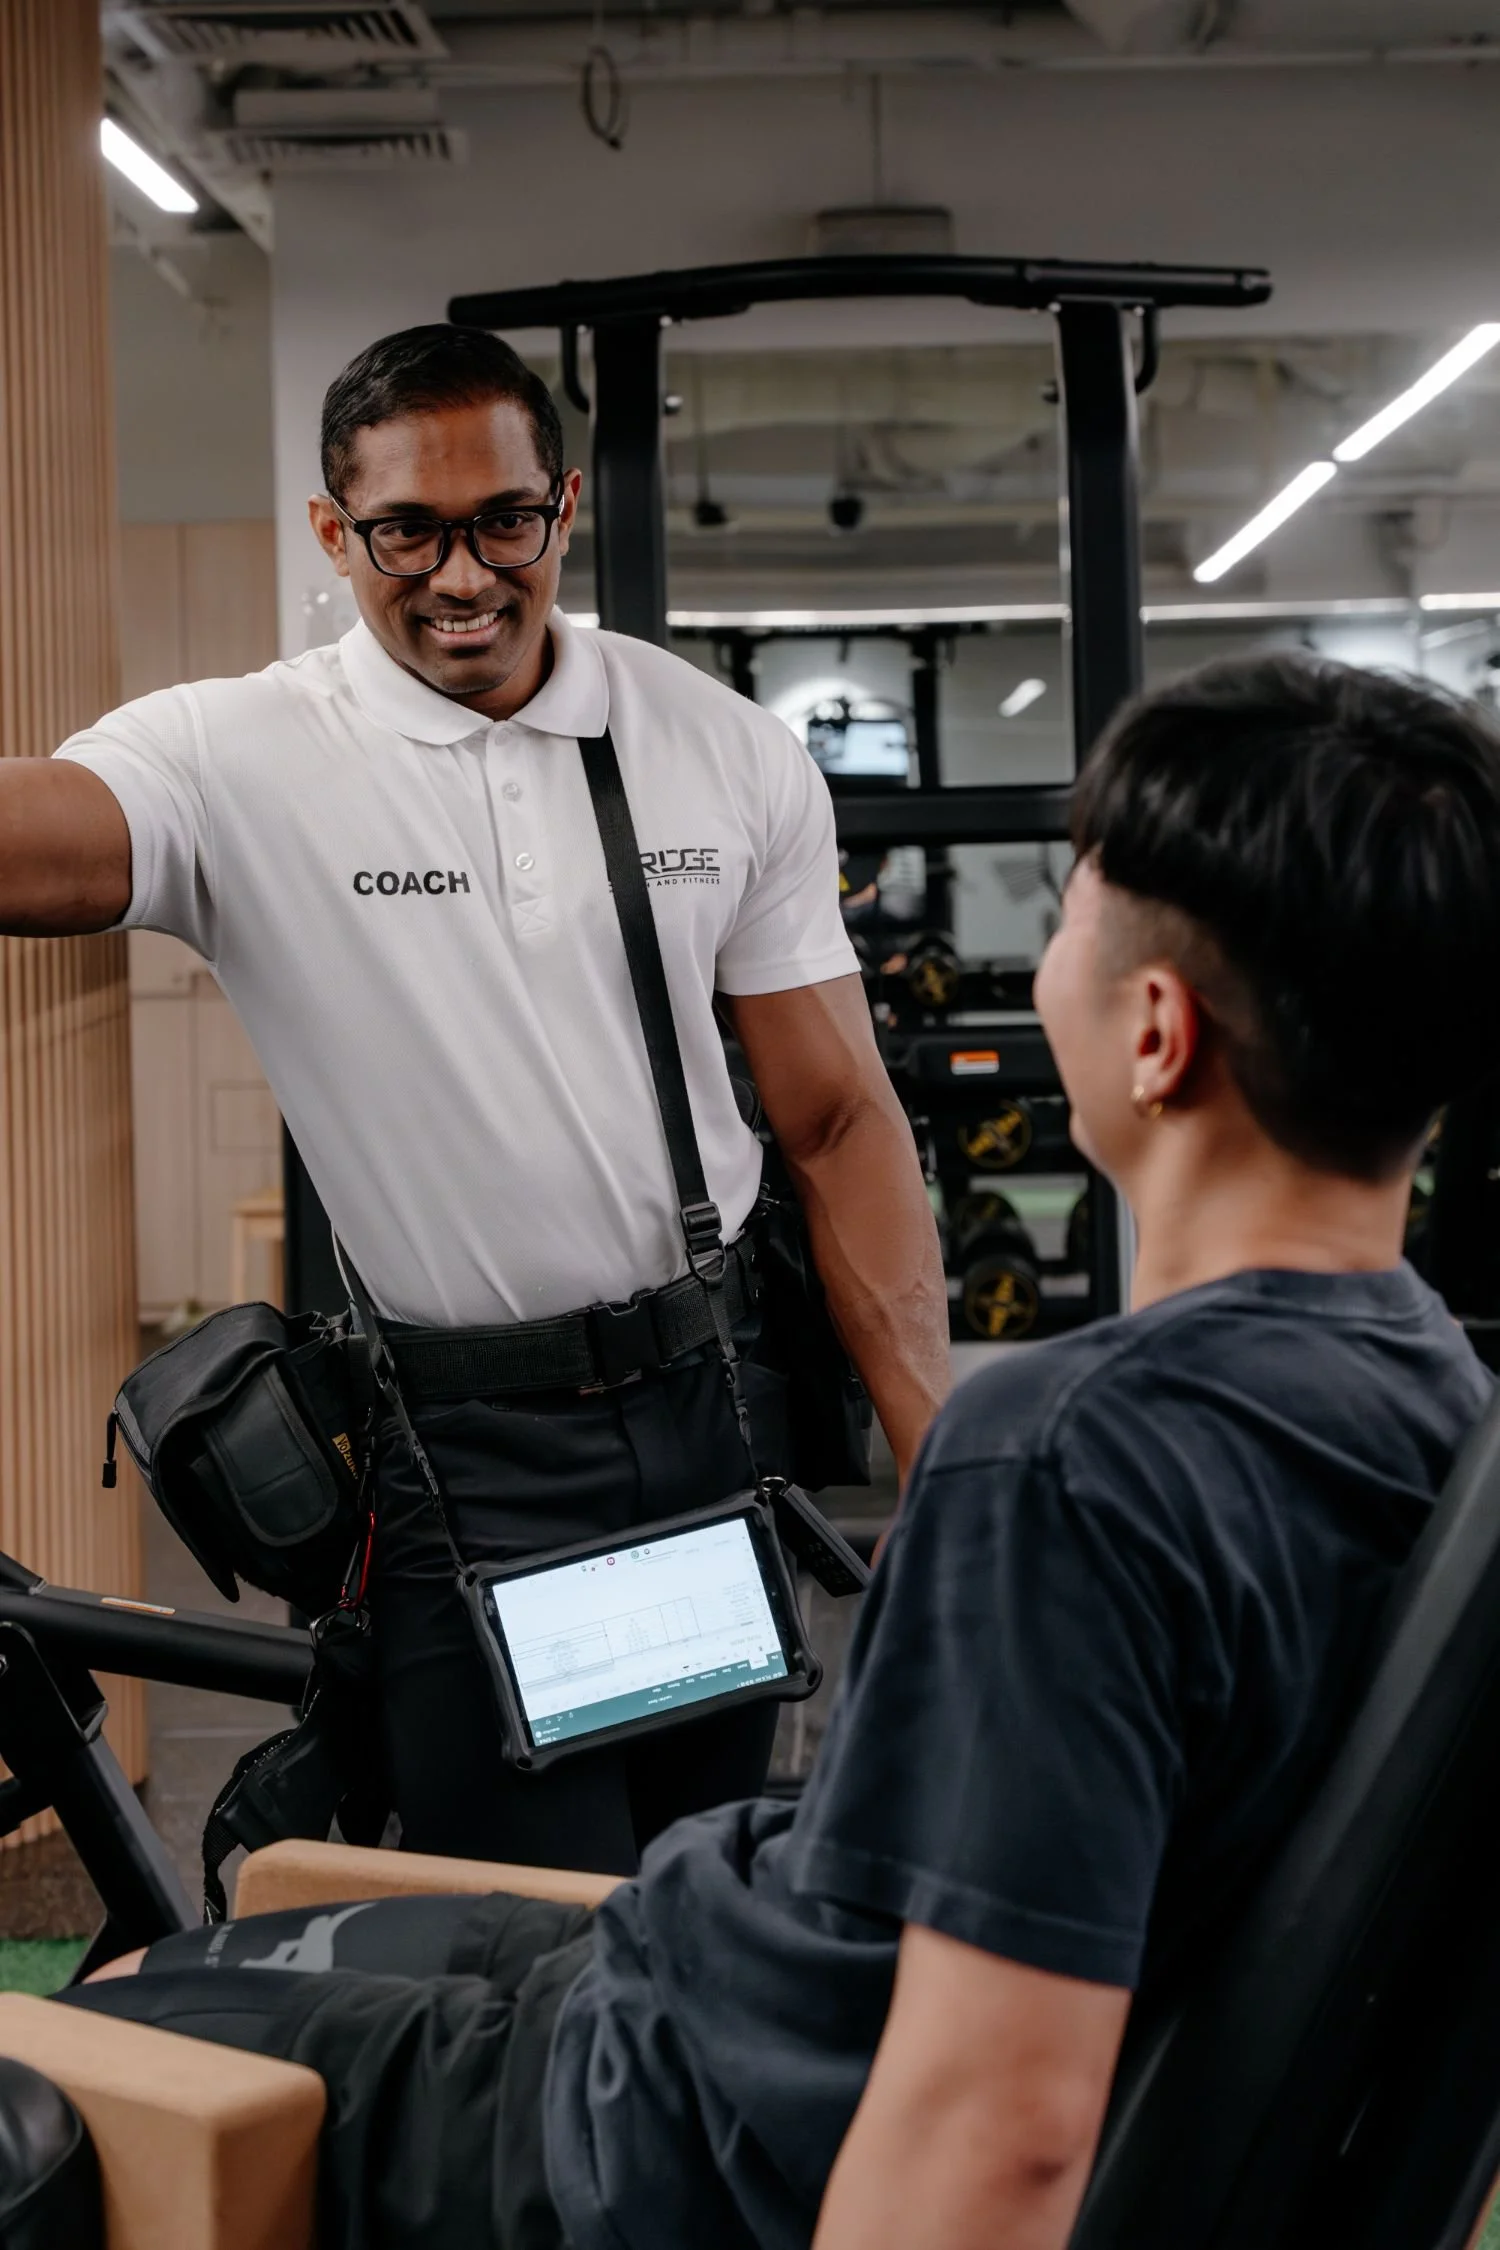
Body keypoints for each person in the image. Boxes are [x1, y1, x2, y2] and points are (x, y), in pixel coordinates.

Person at [69, 652, 1500, 2250]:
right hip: (719, 1967)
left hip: (663, 2115)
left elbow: (995, 2134)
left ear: (1156, 1030)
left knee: (87, 2048)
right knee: (252, 1952)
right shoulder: (1438, 1405)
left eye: (1078, 909)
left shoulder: (1064, 1462)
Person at [0, 323, 951, 1873]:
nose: (462, 576)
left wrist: (941, 1455)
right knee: (526, 1922)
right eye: (408, 533)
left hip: (709, 1410)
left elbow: (837, 1121)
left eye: (504, 521)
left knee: (708, 1883)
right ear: (334, 533)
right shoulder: (236, 756)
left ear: (561, 507)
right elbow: (41, 833)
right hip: (465, 1451)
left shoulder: (718, 747)